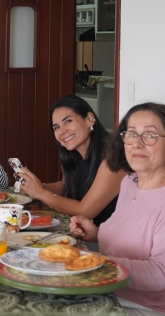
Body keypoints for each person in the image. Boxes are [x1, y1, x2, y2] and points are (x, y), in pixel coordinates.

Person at [70, 102, 165, 316]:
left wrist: (95, 262)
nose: (137, 143)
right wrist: (97, 234)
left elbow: (160, 275)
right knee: (51, 307)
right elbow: (137, 237)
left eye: (150, 135)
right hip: (122, 294)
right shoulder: (131, 182)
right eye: (131, 134)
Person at [17, 96, 124, 224]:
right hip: (86, 233)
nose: (62, 131)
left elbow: (85, 210)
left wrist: (40, 193)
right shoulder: (73, 156)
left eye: (68, 121)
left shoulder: (113, 161)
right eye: (56, 127)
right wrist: (36, 186)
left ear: (89, 119)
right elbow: (65, 186)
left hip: (112, 241)